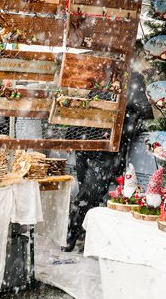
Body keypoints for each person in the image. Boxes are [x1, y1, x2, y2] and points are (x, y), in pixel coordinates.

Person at [62, 72, 153, 251]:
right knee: (87, 193)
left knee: (88, 194)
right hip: (85, 144)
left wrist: (119, 133)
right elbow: (84, 110)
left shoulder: (132, 79)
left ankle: (72, 237)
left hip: (108, 152)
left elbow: (140, 113)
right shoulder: (98, 77)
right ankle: (85, 235)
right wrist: (71, 137)